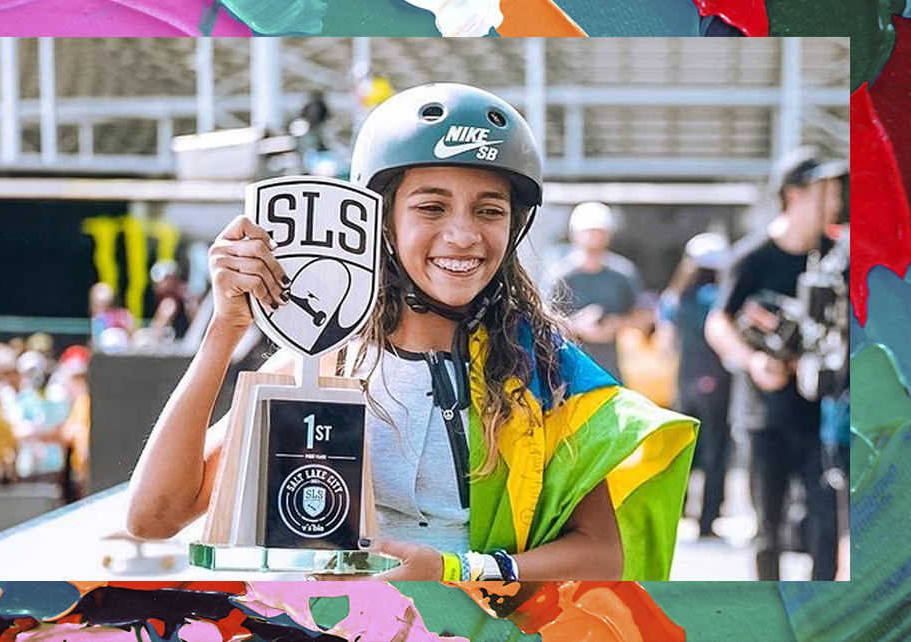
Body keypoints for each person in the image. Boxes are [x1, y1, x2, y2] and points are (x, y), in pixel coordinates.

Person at [127, 83, 697, 581]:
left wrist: (456, 572)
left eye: (489, 211)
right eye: (431, 207)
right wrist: (223, 332)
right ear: (380, 219)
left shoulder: (544, 371)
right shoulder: (318, 366)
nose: (464, 235)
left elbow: (602, 555)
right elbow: (155, 517)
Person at [705, 147, 847, 581]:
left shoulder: (836, 256)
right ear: (794, 193)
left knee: (825, 522)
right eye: (825, 188)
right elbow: (719, 323)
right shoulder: (754, 256)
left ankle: (824, 615)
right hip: (764, 416)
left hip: (819, 413)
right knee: (769, 526)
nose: (837, 198)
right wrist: (753, 361)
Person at [658, 232, 732, 539]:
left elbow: (665, 345)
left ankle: (676, 514)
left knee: (684, 450)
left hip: (684, 381)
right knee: (716, 452)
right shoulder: (719, 298)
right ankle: (707, 519)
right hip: (717, 381)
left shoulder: (673, 298)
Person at [550, 201, 646, 379]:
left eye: (598, 231)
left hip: (611, 370)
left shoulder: (623, 273)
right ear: (574, 234)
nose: (593, 237)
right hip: (569, 372)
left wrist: (614, 325)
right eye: (587, 231)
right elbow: (543, 321)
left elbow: (642, 319)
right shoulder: (560, 275)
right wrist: (577, 326)